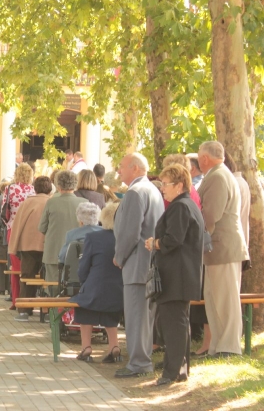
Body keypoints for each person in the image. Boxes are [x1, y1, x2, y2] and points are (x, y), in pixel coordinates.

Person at [145, 164, 205, 386]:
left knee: (174, 325)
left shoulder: (180, 206)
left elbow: (174, 239)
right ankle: (179, 368)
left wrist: (154, 243)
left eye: (165, 184)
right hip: (182, 274)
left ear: (179, 185)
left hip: (176, 275)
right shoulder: (187, 204)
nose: (162, 188)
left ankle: (172, 371)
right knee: (178, 323)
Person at [112, 152, 164, 378]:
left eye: (122, 166)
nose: (119, 170)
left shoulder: (135, 192)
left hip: (136, 263)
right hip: (150, 262)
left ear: (134, 168)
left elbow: (130, 232)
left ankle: (139, 363)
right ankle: (142, 360)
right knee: (144, 317)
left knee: (136, 316)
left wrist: (119, 256)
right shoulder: (153, 190)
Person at [196, 141, 249, 357]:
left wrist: (197, 238)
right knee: (215, 299)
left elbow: (211, 215)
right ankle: (219, 346)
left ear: (205, 158)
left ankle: (229, 346)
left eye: (199, 157)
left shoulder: (218, 176)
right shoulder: (219, 174)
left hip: (222, 247)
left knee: (225, 299)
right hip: (218, 248)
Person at [70, 202, 123, 363]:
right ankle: (114, 346)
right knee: (110, 311)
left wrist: (84, 282)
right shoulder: (124, 239)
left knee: (85, 309)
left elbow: (83, 267)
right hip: (119, 290)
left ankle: (86, 347)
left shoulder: (93, 237)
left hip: (95, 287)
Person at [38, 170, 88, 294]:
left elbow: (42, 228)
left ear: (58, 186)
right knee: (76, 288)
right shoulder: (84, 203)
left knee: (53, 288)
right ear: (75, 185)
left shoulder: (51, 202)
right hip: (78, 254)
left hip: (53, 253)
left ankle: (54, 306)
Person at [9, 176, 51, 321]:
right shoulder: (52, 202)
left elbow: (18, 224)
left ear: (35, 188)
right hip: (47, 246)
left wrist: (14, 246)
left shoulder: (27, 202)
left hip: (28, 245)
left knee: (27, 277)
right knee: (47, 279)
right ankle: (46, 311)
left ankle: (24, 311)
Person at [2, 164, 35, 306]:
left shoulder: (10, 189)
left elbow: (4, 212)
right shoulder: (34, 190)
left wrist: (9, 223)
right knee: (29, 267)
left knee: (15, 267)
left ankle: (16, 300)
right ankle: (28, 299)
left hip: (13, 229)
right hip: (30, 231)